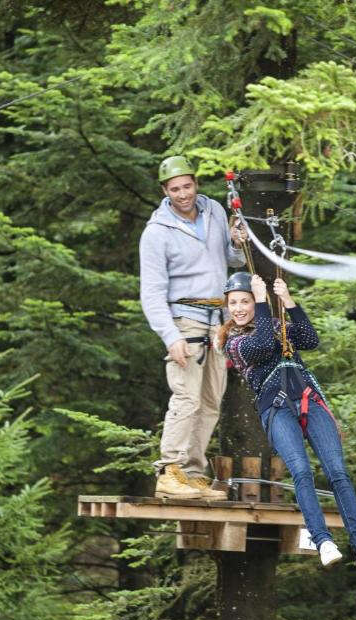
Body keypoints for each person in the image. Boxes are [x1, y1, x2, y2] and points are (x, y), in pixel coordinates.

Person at [219, 272, 356, 569]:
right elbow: (263, 344)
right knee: (301, 472)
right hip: (277, 409)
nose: (240, 308)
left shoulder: (277, 324)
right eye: (234, 303)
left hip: (308, 400)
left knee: (338, 473)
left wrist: (288, 301)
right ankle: (324, 541)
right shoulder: (234, 343)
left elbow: (310, 339)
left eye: (245, 301)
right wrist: (262, 300)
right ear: (227, 306)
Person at [139, 155, 247, 500]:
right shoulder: (157, 233)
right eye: (175, 189)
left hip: (218, 322)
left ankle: (192, 474)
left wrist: (236, 241)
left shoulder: (214, 210)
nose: (183, 194)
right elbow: (152, 293)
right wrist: (170, 336)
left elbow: (230, 261)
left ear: (195, 183)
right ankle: (169, 471)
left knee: (210, 399)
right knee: (186, 397)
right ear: (164, 191)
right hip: (184, 320)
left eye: (187, 186)